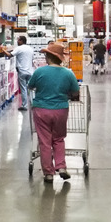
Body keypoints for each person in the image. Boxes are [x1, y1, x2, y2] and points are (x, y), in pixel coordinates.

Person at [28, 43, 80, 183]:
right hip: (60, 110)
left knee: (45, 142)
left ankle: (48, 173)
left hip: (41, 110)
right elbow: (75, 92)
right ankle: (61, 167)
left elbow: (30, 86)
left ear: (48, 57)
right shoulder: (68, 73)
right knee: (58, 139)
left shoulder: (39, 72)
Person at [3, 36, 34, 111]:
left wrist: (3, 49)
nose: (17, 41)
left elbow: (9, 55)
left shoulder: (19, 48)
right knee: (30, 88)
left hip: (22, 71)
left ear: (22, 41)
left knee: (23, 89)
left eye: (18, 40)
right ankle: (33, 104)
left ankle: (24, 105)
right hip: (30, 71)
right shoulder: (30, 49)